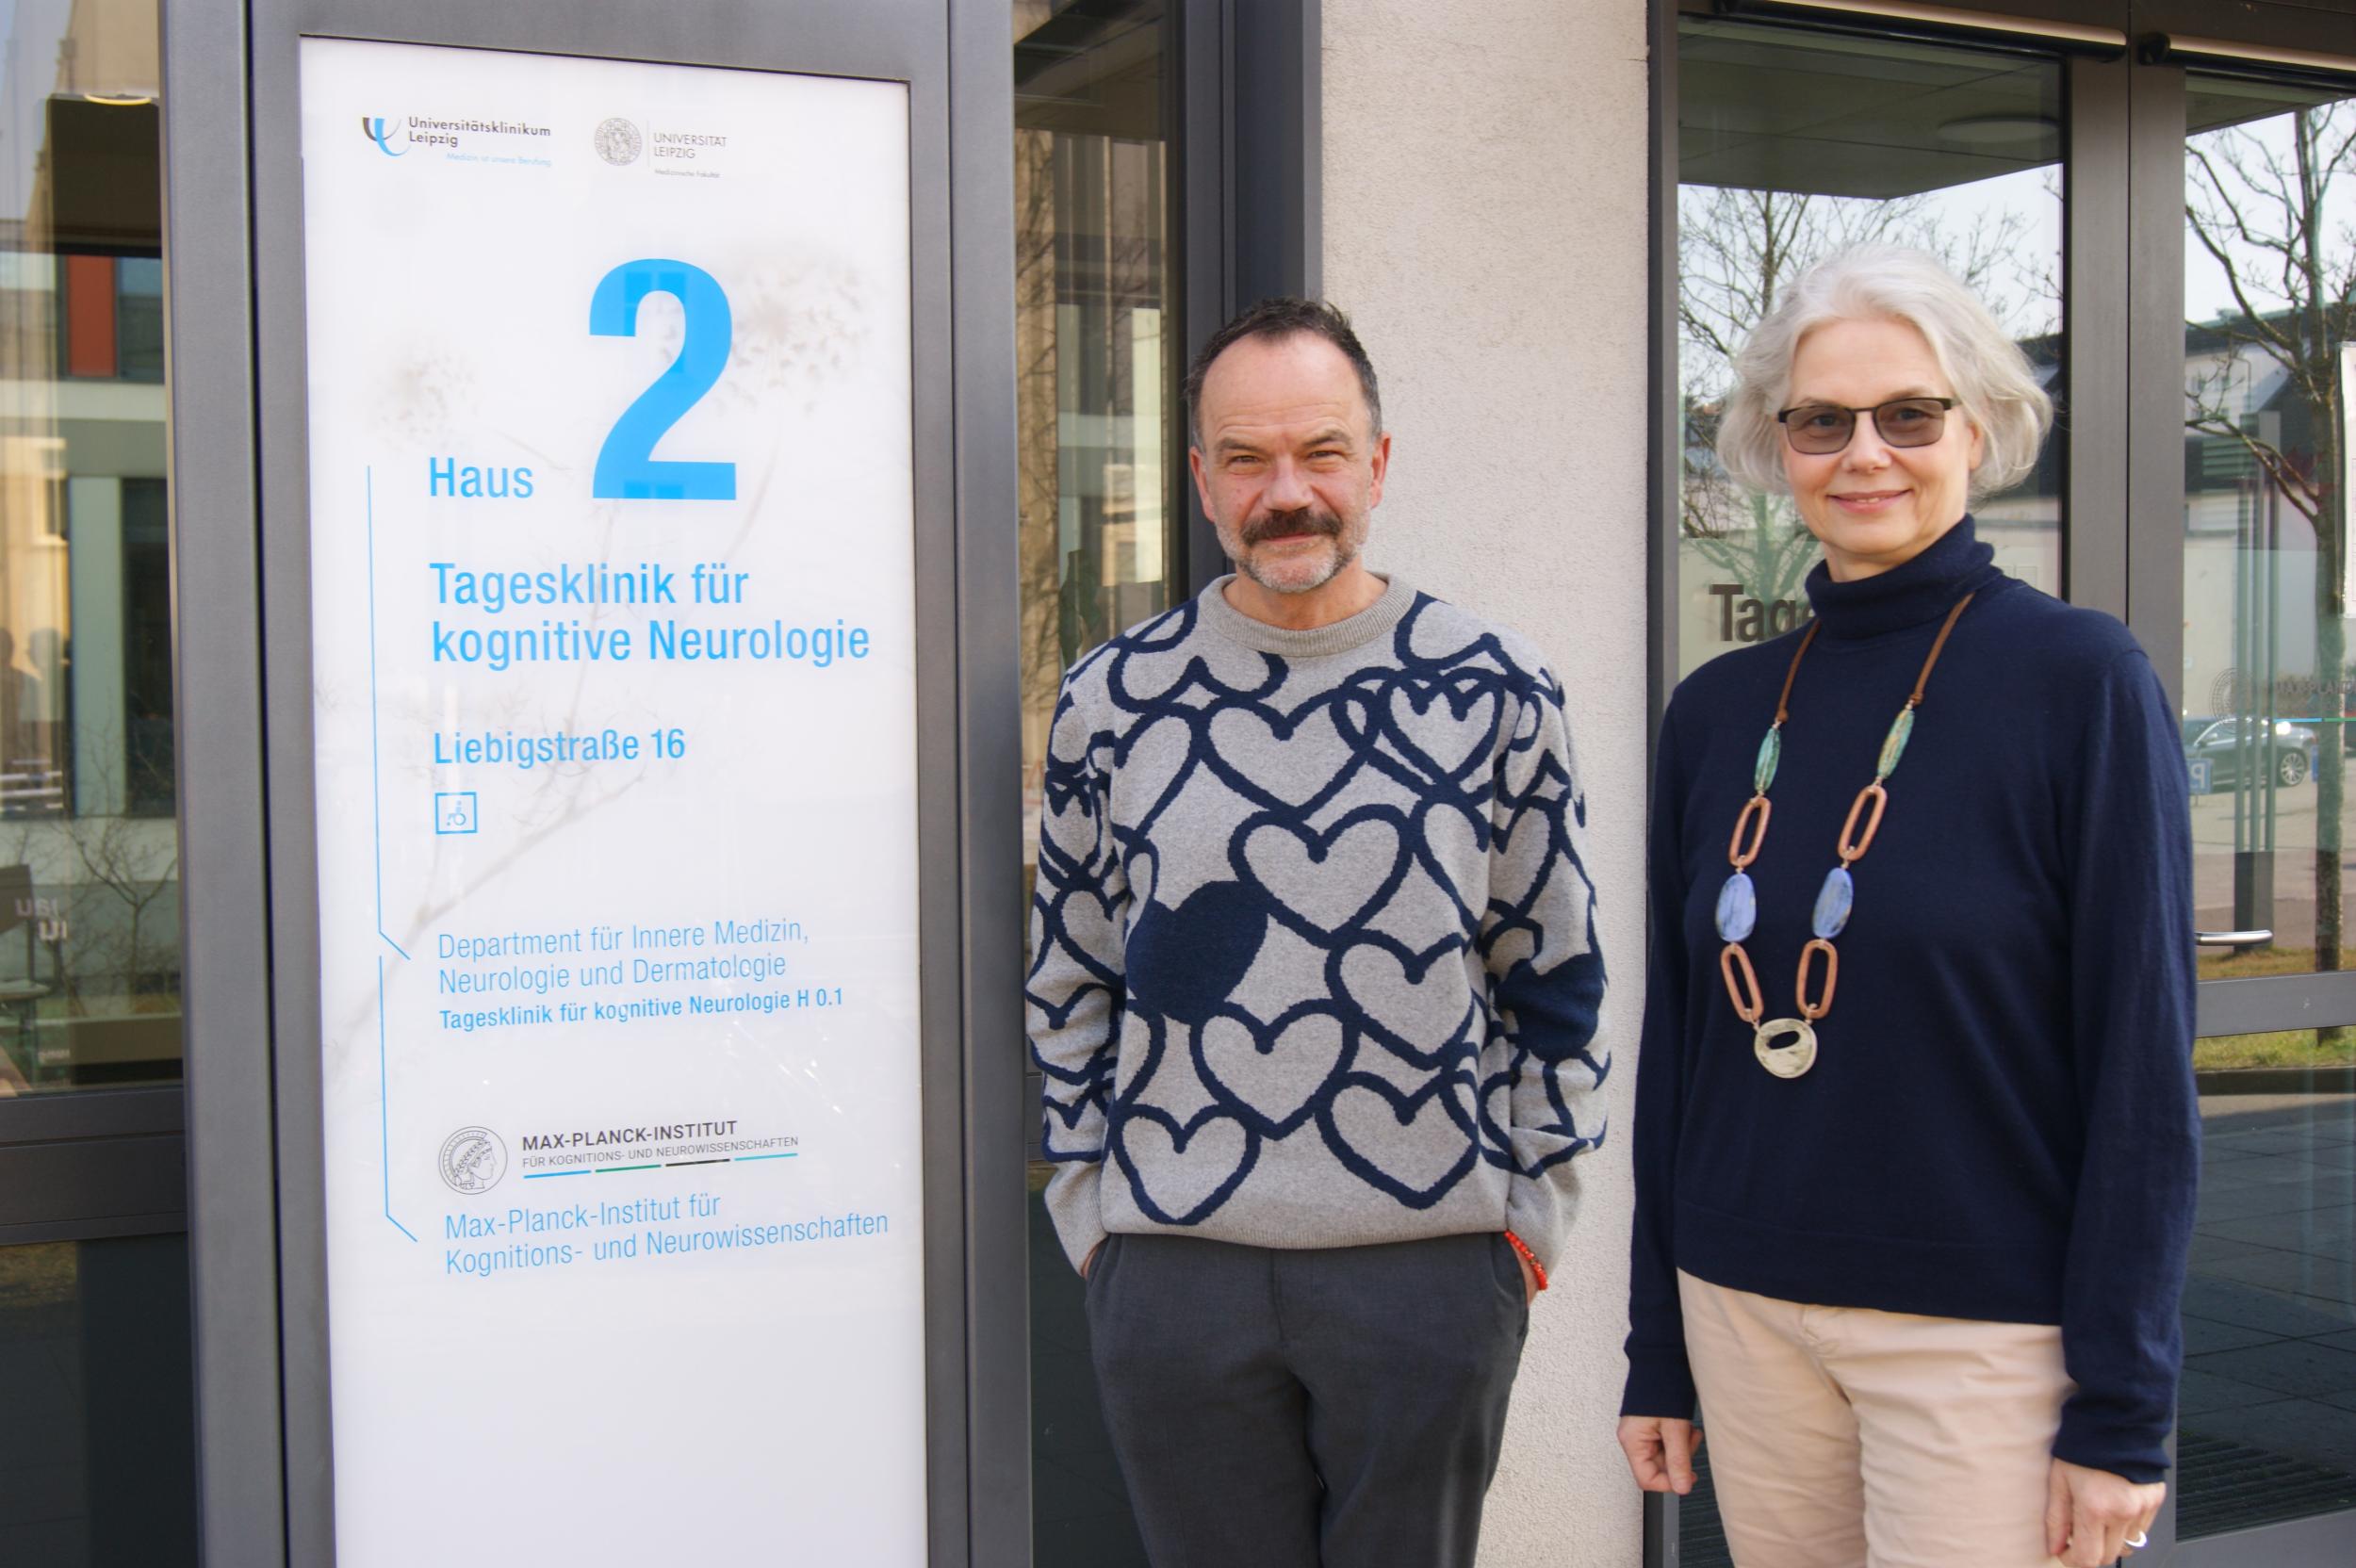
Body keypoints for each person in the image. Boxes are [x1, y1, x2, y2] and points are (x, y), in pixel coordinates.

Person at [1617, 245, 2198, 1568]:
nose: (1865, 452)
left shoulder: (2080, 682)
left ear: (1977, 429)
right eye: (1822, 420)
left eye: (1910, 414)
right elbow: (1681, 1055)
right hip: (1744, 1313)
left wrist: (2125, 1412)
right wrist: (1658, 1344)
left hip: (1978, 1334)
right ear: (1777, 445)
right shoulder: (1717, 713)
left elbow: (2142, 1070)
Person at [1027, 297, 1607, 1567]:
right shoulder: (1113, 700)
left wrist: (1527, 1223)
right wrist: (1092, 1215)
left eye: (1321, 452)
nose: (1286, 492)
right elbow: (1070, 974)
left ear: (1378, 464)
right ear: (1202, 480)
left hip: (1430, 1275)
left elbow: (1555, 973)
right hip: (1175, 1272)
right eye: (1246, 459)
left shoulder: (1497, 688)